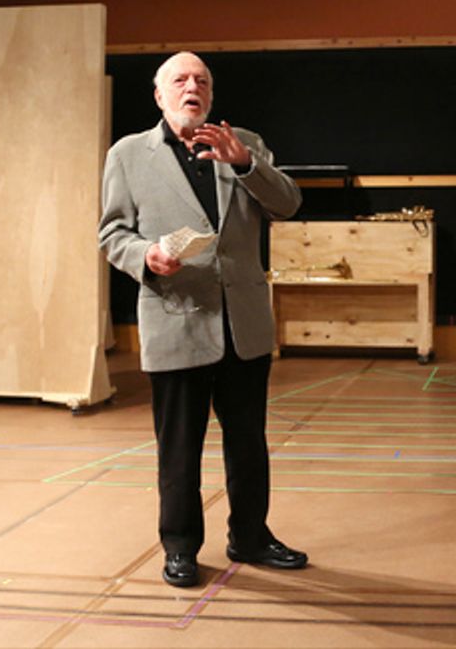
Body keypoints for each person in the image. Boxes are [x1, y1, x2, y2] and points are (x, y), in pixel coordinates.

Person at [99, 51, 305, 587]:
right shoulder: (128, 155)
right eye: (181, 79)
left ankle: (251, 537)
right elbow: (113, 234)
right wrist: (145, 255)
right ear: (159, 94)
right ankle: (182, 548)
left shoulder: (247, 144)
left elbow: (287, 204)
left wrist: (245, 165)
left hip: (244, 324)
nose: (193, 86)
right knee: (179, 449)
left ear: (211, 95)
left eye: (203, 81)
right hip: (175, 319)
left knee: (248, 443)